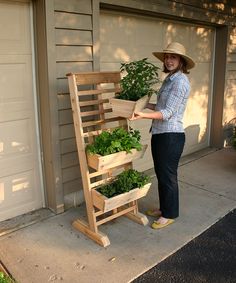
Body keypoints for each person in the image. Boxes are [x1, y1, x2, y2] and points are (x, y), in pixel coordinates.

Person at [130, 42, 195, 229]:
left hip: (171, 136)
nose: (168, 60)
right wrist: (141, 105)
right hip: (160, 133)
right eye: (167, 57)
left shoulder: (181, 81)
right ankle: (164, 208)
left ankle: (169, 214)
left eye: (173, 57)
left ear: (181, 61)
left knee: (168, 176)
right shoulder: (169, 79)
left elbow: (167, 113)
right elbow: (159, 107)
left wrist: (142, 115)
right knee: (161, 174)